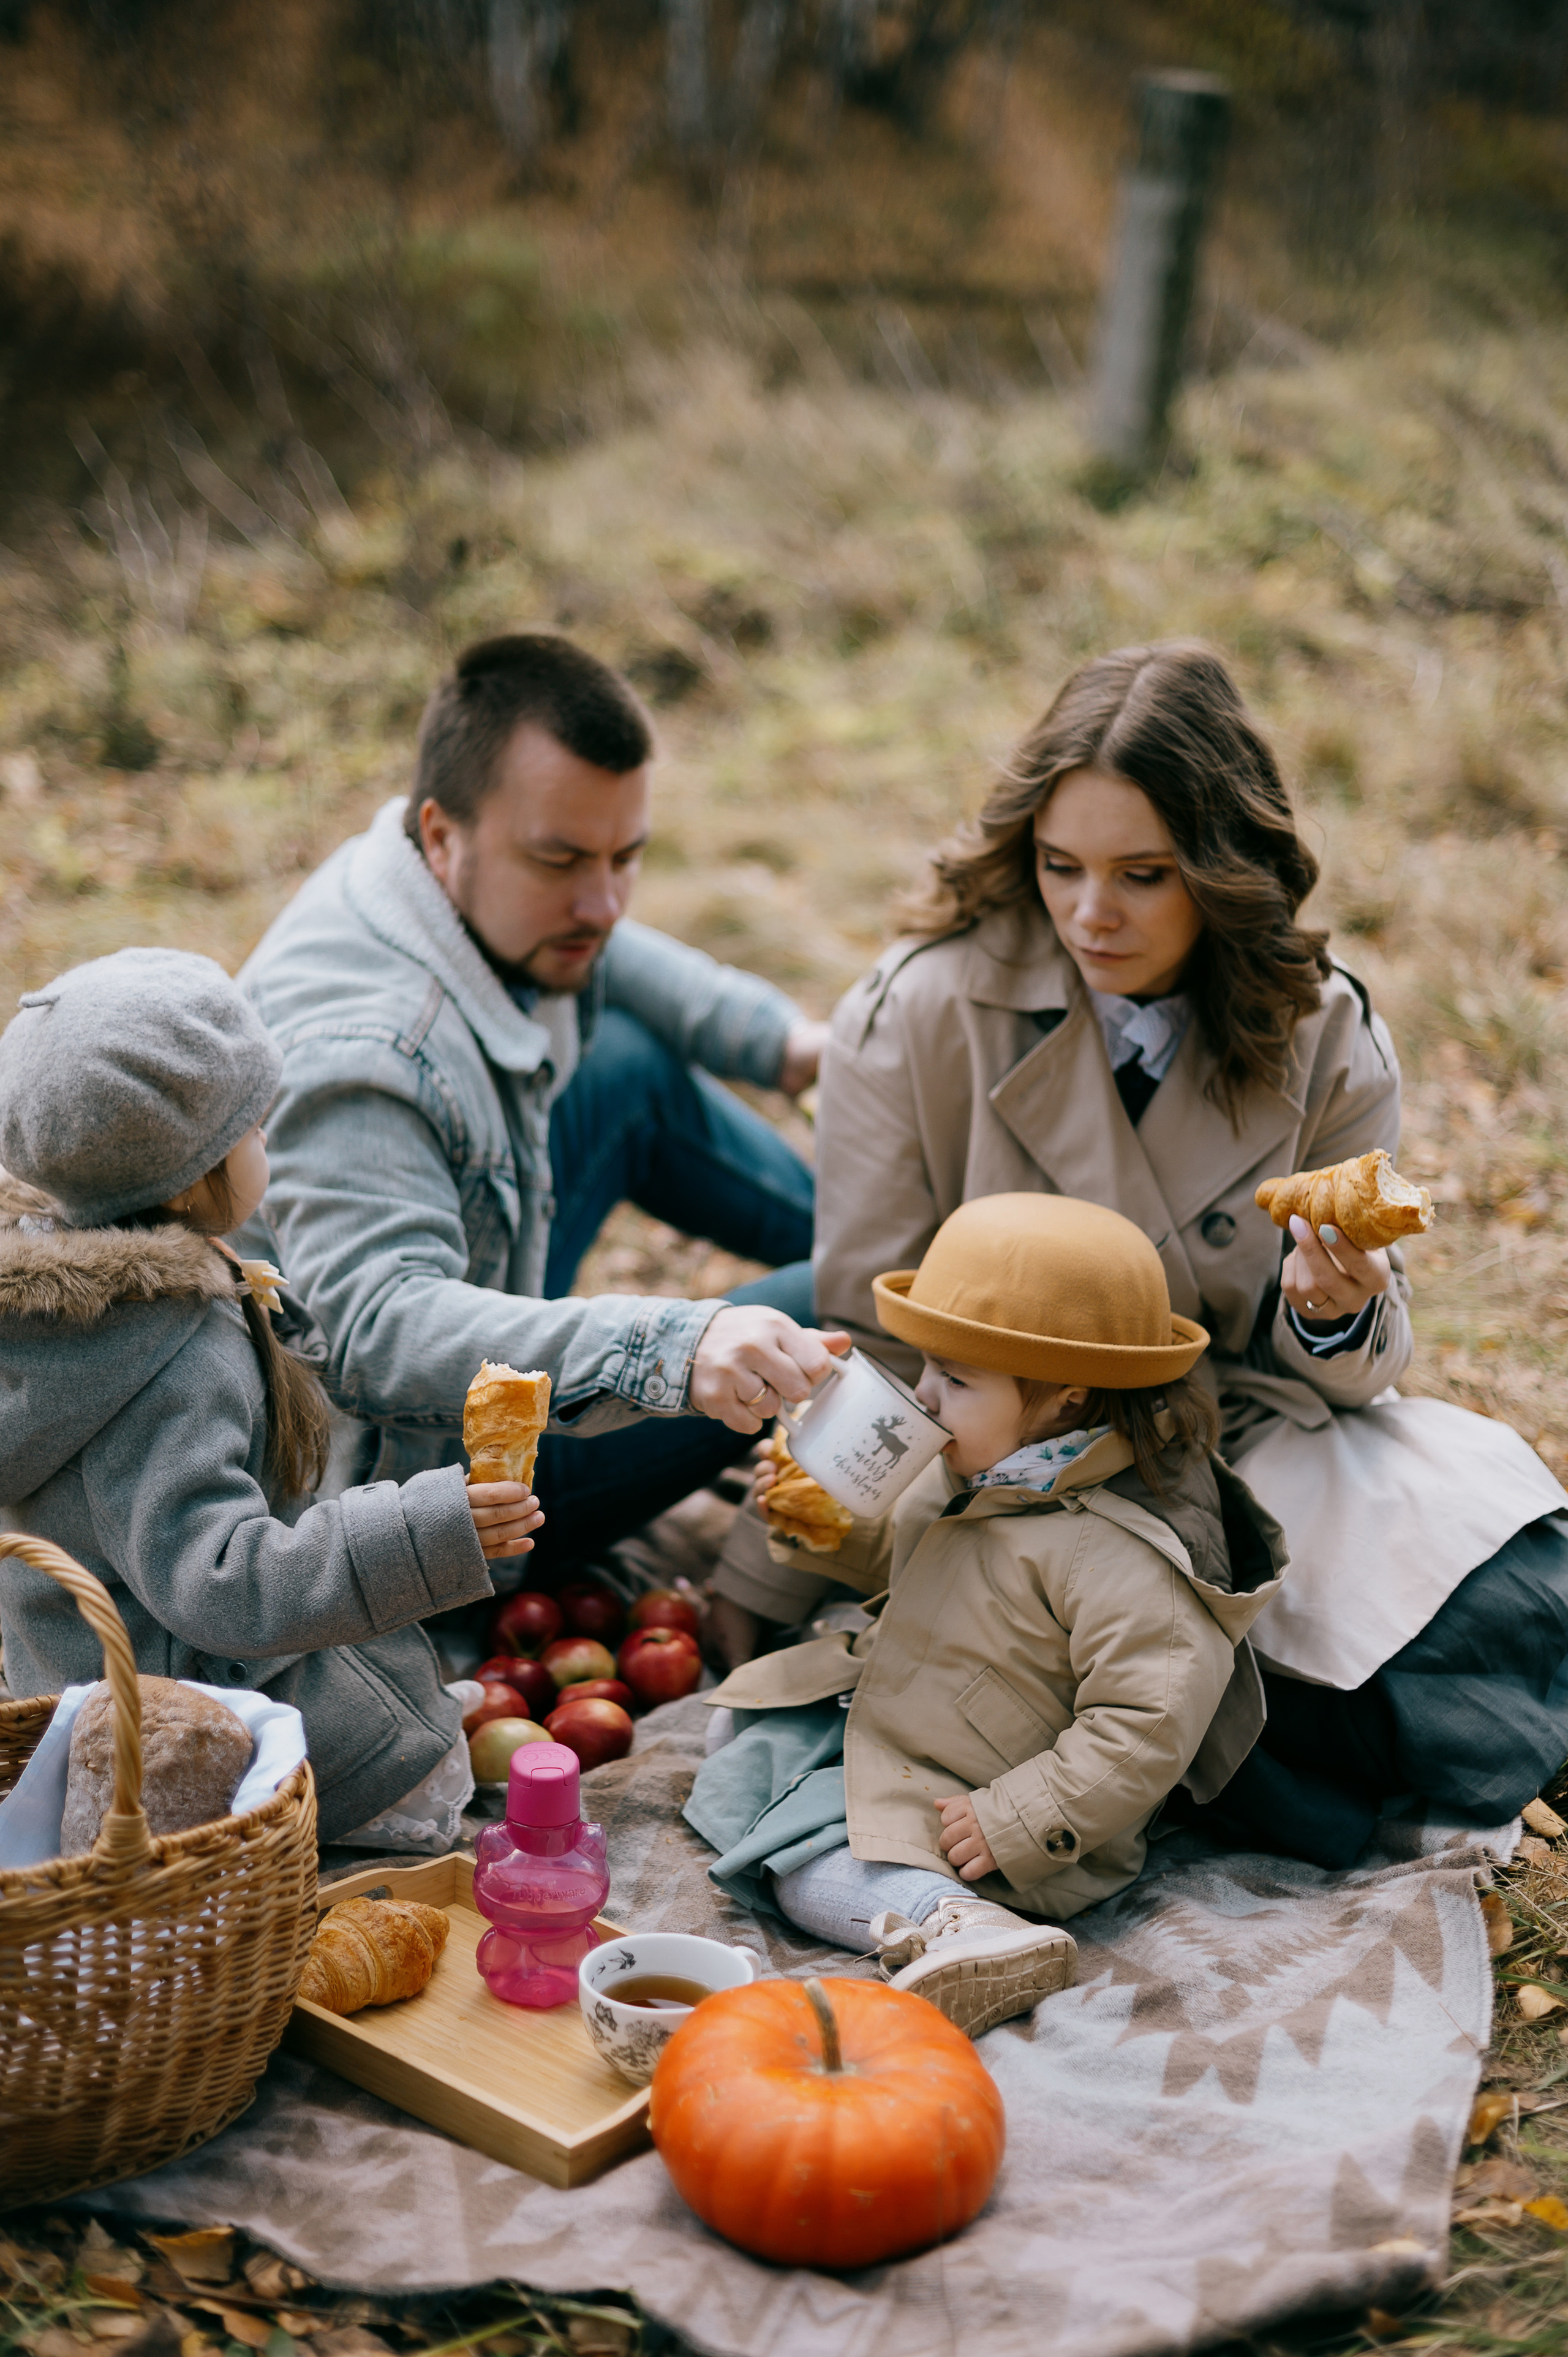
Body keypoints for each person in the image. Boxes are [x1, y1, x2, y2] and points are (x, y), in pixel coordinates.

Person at [711, 639, 1568, 1865]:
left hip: (1239, 1431)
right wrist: (767, 1567)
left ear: (1219, 873)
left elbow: (1341, 1377)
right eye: (1058, 867)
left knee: (1478, 1547)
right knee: (1190, 1677)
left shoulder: (1320, 1032)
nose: (1088, 914)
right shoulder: (911, 1013)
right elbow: (879, 1332)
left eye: (1142, 874)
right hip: (1008, 1472)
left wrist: (1330, 1308)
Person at [240, 632, 841, 1576]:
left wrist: (781, 1043)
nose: (602, 903)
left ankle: (891, 1234)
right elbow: (373, 1334)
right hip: (433, 1488)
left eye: (625, 857)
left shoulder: (420, 869)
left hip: (481, 1289)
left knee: (632, 1063)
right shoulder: (363, 1049)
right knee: (846, 1293)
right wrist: (679, 1347)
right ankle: (914, 1275)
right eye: (561, 860)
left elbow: (606, 943)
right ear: (444, 836)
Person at [686, 1194, 1287, 2035]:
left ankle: (956, 1924)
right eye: (928, 1367)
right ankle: (905, 1882)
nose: (926, 1396)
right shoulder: (982, 1463)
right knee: (736, 1737)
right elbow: (916, 1561)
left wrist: (1019, 1820)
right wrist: (817, 1523)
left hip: (989, 1798)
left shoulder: (1125, 1553)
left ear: (1069, 1401)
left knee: (790, 1861)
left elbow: (1149, 1719)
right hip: (921, 1720)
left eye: (955, 1380)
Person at [0, 949, 546, 1847]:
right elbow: (224, 1585)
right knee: (427, 1778)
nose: (271, 1145)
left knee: (399, 1689)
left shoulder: (92, 1298)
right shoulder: (163, 1361)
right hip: (178, 1723)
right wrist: (418, 1532)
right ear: (183, 1179)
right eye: (254, 1131)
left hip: (98, 1660)